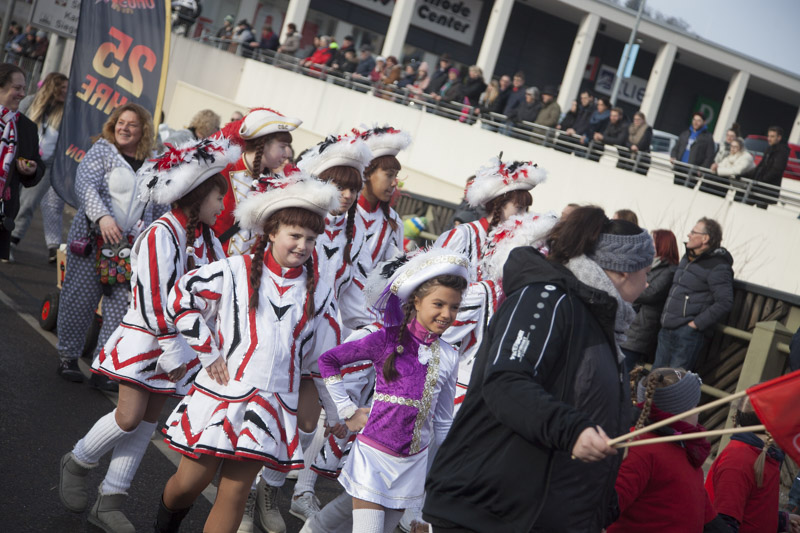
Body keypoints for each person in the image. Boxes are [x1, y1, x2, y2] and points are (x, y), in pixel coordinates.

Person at [424, 206, 655, 532]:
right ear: (622, 272)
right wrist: (572, 430)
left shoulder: (597, 321)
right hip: (487, 510)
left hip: (539, 515)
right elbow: (506, 381)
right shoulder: (546, 298)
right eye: (646, 272)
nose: (648, 283)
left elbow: (581, 399)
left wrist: (598, 506)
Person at [58, 137, 236, 532]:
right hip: (149, 339)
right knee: (128, 417)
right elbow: (156, 297)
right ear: (197, 195)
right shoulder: (162, 233)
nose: (223, 206)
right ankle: (79, 460)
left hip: (178, 344)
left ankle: (110, 500)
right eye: (218, 197)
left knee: (146, 423)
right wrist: (171, 347)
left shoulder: (207, 240)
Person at [154, 166, 340, 533]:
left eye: (311, 239)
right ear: (271, 232)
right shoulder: (234, 270)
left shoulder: (320, 292)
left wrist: (334, 411)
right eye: (295, 235)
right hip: (221, 394)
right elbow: (181, 298)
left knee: (235, 493)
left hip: (273, 404)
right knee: (188, 484)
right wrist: (208, 351)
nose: (302, 246)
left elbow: (323, 358)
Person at [318, 248, 469, 533]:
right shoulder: (385, 339)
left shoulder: (450, 355)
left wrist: (449, 469)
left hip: (412, 466)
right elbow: (328, 361)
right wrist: (347, 410)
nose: (446, 314)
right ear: (417, 300)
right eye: (438, 304)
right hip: (373, 457)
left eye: (454, 307)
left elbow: (443, 422)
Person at [282, 132, 374, 525]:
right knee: (272, 418)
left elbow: (352, 292)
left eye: (353, 188)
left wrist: (370, 329)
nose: (348, 195)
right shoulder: (299, 217)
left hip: (323, 337)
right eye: (339, 185)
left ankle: (271, 490)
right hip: (283, 329)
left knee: (307, 423)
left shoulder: (357, 230)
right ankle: (251, 494)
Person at [55, 103, 158, 387]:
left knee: (119, 310)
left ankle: (104, 367)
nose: (124, 128)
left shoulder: (153, 164)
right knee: (80, 300)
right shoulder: (102, 151)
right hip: (94, 240)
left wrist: (153, 236)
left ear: (143, 130)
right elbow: (85, 185)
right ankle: (68, 357)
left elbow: (159, 204)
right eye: (120, 122)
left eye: (132, 124)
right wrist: (102, 217)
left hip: (129, 249)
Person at [607, 368, 718, 532]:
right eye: (694, 406)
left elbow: (703, 509)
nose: (699, 411)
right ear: (680, 414)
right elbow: (605, 507)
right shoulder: (639, 449)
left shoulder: (685, 448)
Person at [435, 155, 545, 282]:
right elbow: (438, 277)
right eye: (519, 208)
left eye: (526, 209)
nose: (523, 215)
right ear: (499, 205)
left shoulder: (514, 241)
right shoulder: (463, 234)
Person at [212, 107, 300, 257]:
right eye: (282, 146)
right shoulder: (222, 170)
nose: (286, 154)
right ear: (263, 144)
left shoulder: (273, 184)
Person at [705, 396, 800, 533]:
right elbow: (724, 524)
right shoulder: (738, 463)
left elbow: (750, 511)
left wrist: (781, 521)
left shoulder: (764, 455)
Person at [653, 217, 733, 371]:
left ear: (705, 238)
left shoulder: (718, 266)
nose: (689, 235)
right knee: (654, 377)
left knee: (674, 381)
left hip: (686, 334)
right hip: (667, 328)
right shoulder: (687, 257)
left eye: (693, 232)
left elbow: (725, 302)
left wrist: (694, 325)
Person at [10, 71, 66, 263]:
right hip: (15, 159)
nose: (65, 92)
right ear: (52, 87)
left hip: (44, 166)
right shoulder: (30, 102)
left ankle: (11, 242)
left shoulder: (65, 113)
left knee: (27, 205)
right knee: (8, 199)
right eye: (62, 88)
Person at [0, 64, 44, 262]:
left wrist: (32, 170)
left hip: (3, 209)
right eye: (17, 88)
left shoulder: (26, 128)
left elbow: (37, 167)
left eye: (24, 89)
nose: (22, 94)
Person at [620, 229, 679, 372]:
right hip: (627, 324)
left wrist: (632, 286)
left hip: (641, 329)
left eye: (652, 241)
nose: (647, 244)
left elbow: (651, 293)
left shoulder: (669, 271)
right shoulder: (645, 263)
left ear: (663, 244)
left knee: (624, 371)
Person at [355, 126, 410, 273]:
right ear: (367, 173)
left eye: (396, 176)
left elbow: (392, 271)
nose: (394, 183)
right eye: (389, 175)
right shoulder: (342, 210)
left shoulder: (394, 221)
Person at [738, 126, 790, 208]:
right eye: (768, 136)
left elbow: (776, 170)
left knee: (758, 211)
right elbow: (760, 167)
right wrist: (744, 175)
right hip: (757, 187)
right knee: (744, 207)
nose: (769, 139)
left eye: (772, 136)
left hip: (765, 190)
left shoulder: (782, 151)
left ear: (779, 137)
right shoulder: (769, 149)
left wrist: (762, 180)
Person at [671, 111, 716, 188]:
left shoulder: (708, 137)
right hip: (680, 168)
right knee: (676, 189)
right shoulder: (686, 133)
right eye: (694, 120)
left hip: (693, 172)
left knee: (686, 192)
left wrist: (701, 169)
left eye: (699, 121)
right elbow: (676, 147)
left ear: (704, 122)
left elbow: (709, 156)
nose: (696, 122)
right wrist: (673, 156)